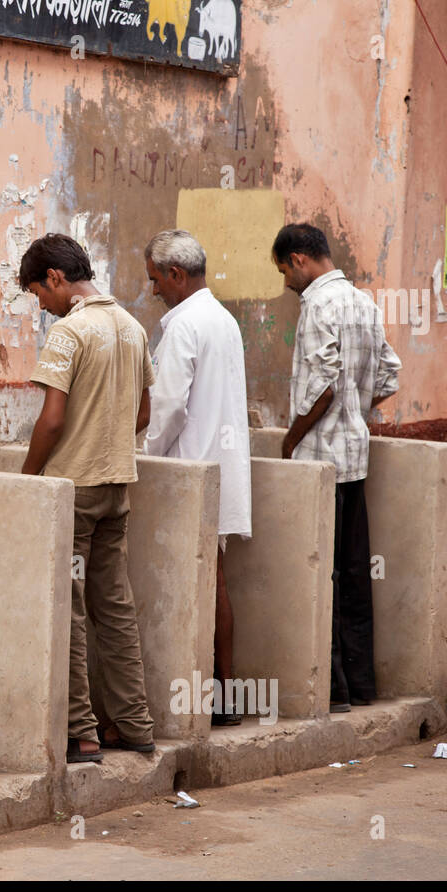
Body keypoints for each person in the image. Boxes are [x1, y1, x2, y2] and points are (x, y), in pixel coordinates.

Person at [20, 233, 157, 763]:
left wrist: (28, 478)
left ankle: (83, 734)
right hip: (116, 488)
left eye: (38, 294)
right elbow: (143, 416)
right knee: (115, 607)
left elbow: (51, 421)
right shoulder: (132, 327)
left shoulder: (70, 333)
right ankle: (135, 724)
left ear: (56, 279)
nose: (42, 306)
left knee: (73, 611)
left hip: (73, 491)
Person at [272, 223, 402, 713]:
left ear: (301, 259)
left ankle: (333, 692)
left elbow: (322, 386)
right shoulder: (364, 303)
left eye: (285, 269)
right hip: (355, 458)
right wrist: (357, 410)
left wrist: (290, 439)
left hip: (320, 462)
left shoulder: (317, 305)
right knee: (353, 574)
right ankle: (361, 685)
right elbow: (389, 373)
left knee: (319, 574)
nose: (286, 280)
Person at [142, 229, 252, 727]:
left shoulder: (185, 325)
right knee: (216, 580)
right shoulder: (224, 320)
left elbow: (167, 408)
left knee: (197, 582)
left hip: (189, 471)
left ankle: (200, 700)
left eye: (156, 280)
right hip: (220, 468)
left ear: (176, 275)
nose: (154, 290)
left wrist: (145, 457)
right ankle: (226, 695)